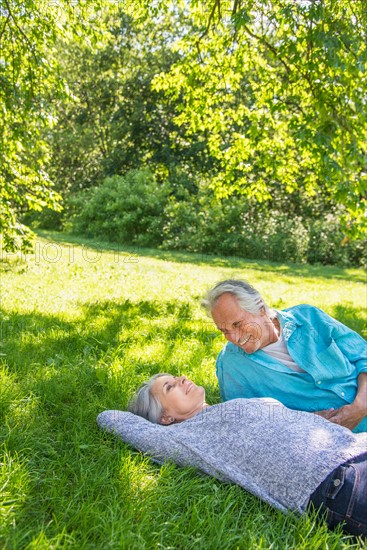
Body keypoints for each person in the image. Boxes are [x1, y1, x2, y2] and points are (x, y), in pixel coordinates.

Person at [98, 373, 367, 537]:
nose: (181, 379)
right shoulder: (183, 437)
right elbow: (110, 418)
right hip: (338, 481)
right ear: (165, 417)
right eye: (170, 387)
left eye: (175, 377)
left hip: (354, 446)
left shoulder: (229, 407)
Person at [201, 279, 367, 433]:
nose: (234, 338)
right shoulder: (231, 365)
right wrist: (307, 422)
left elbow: (362, 356)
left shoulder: (308, 317)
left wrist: (361, 405)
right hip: (337, 444)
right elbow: (246, 426)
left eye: (237, 324)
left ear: (260, 308)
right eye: (224, 331)